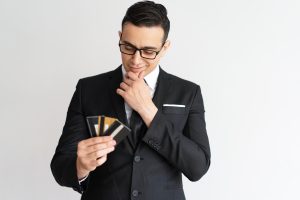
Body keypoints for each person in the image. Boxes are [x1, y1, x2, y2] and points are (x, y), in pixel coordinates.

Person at [51, 1, 211, 199]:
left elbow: (198, 167)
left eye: (148, 51)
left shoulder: (188, 92)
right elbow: (60, 165)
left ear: (165, 48)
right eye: (128, 47)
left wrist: (148, 110)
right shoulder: (88, 89)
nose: (136, 60)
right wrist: (80, 166)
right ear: (120, 37)